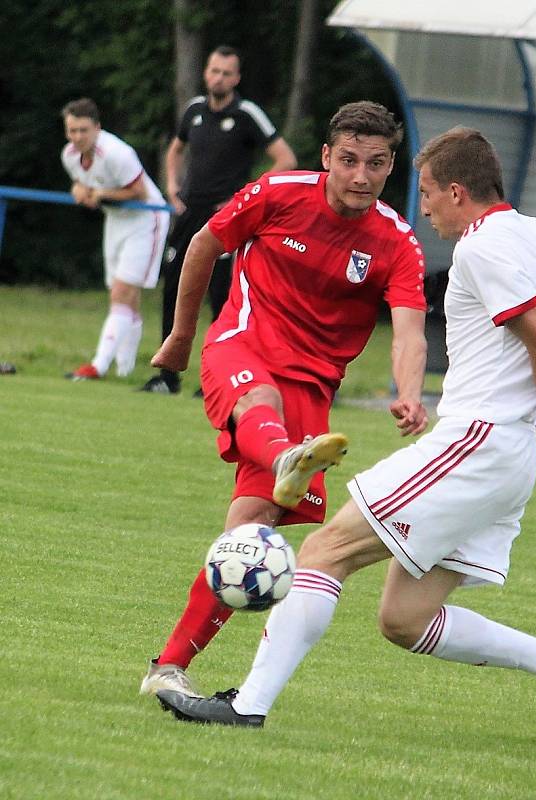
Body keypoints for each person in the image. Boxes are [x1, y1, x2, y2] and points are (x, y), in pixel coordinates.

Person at [156, 127, 536, 749]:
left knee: (322, 553)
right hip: (510, 459)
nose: (421, 207)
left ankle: (249, 705)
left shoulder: (483, 248)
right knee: (405, 620)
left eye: (426, 193)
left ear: (457, 191)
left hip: (476, 441)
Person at [139, 101, 429, 697]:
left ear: (389, 167)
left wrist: (408, 393)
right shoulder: (276, 192)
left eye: (375, 164)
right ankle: (284, 459)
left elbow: (408, 329)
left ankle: (167, 668)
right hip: (242, 345)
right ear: (326, 157)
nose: (360, 175)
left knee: (248, 532)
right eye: (348, 160)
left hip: (311, 390)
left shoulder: (397, 241)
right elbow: (202, 244)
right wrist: (182, 335)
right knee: (259, 400)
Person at [140, 45, 297, 395]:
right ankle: (167, 376)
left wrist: (245, 198)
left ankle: (217, 377)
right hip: (189, 212)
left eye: (226, 73)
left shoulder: (246, 114)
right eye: (214, 71)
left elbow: (285, 159)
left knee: (222, 297)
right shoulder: (194, 109)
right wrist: (172, 186)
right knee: (174, 289)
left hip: (225, 217)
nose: (218, 78)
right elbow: (176, 148)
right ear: (206, 73)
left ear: (236, 78)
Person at [61, 98, 169, 381]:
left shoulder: (117, 153)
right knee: (125, 298)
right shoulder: (69, 155)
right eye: (72, 130)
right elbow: (86, 186)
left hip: (146, 217)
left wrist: (101, 194)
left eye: (83, 130)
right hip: (116, 221)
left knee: (121, 293)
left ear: (97, 128)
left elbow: (140, 192)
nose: (78, 137)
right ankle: (125, 371)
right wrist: (79, 191)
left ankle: (98, 365)